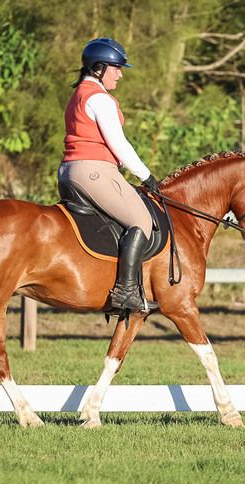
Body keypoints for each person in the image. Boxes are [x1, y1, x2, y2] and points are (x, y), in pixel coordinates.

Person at [58, 38, 161, 315]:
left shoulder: (80, 94)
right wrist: (146, 176)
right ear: (99, 68)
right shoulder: (100, 98)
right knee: (142, 220)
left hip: (70, 171)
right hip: (94, 170)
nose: (121, 73)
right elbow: (119, 144)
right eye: (116, 67)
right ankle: (126, 293)